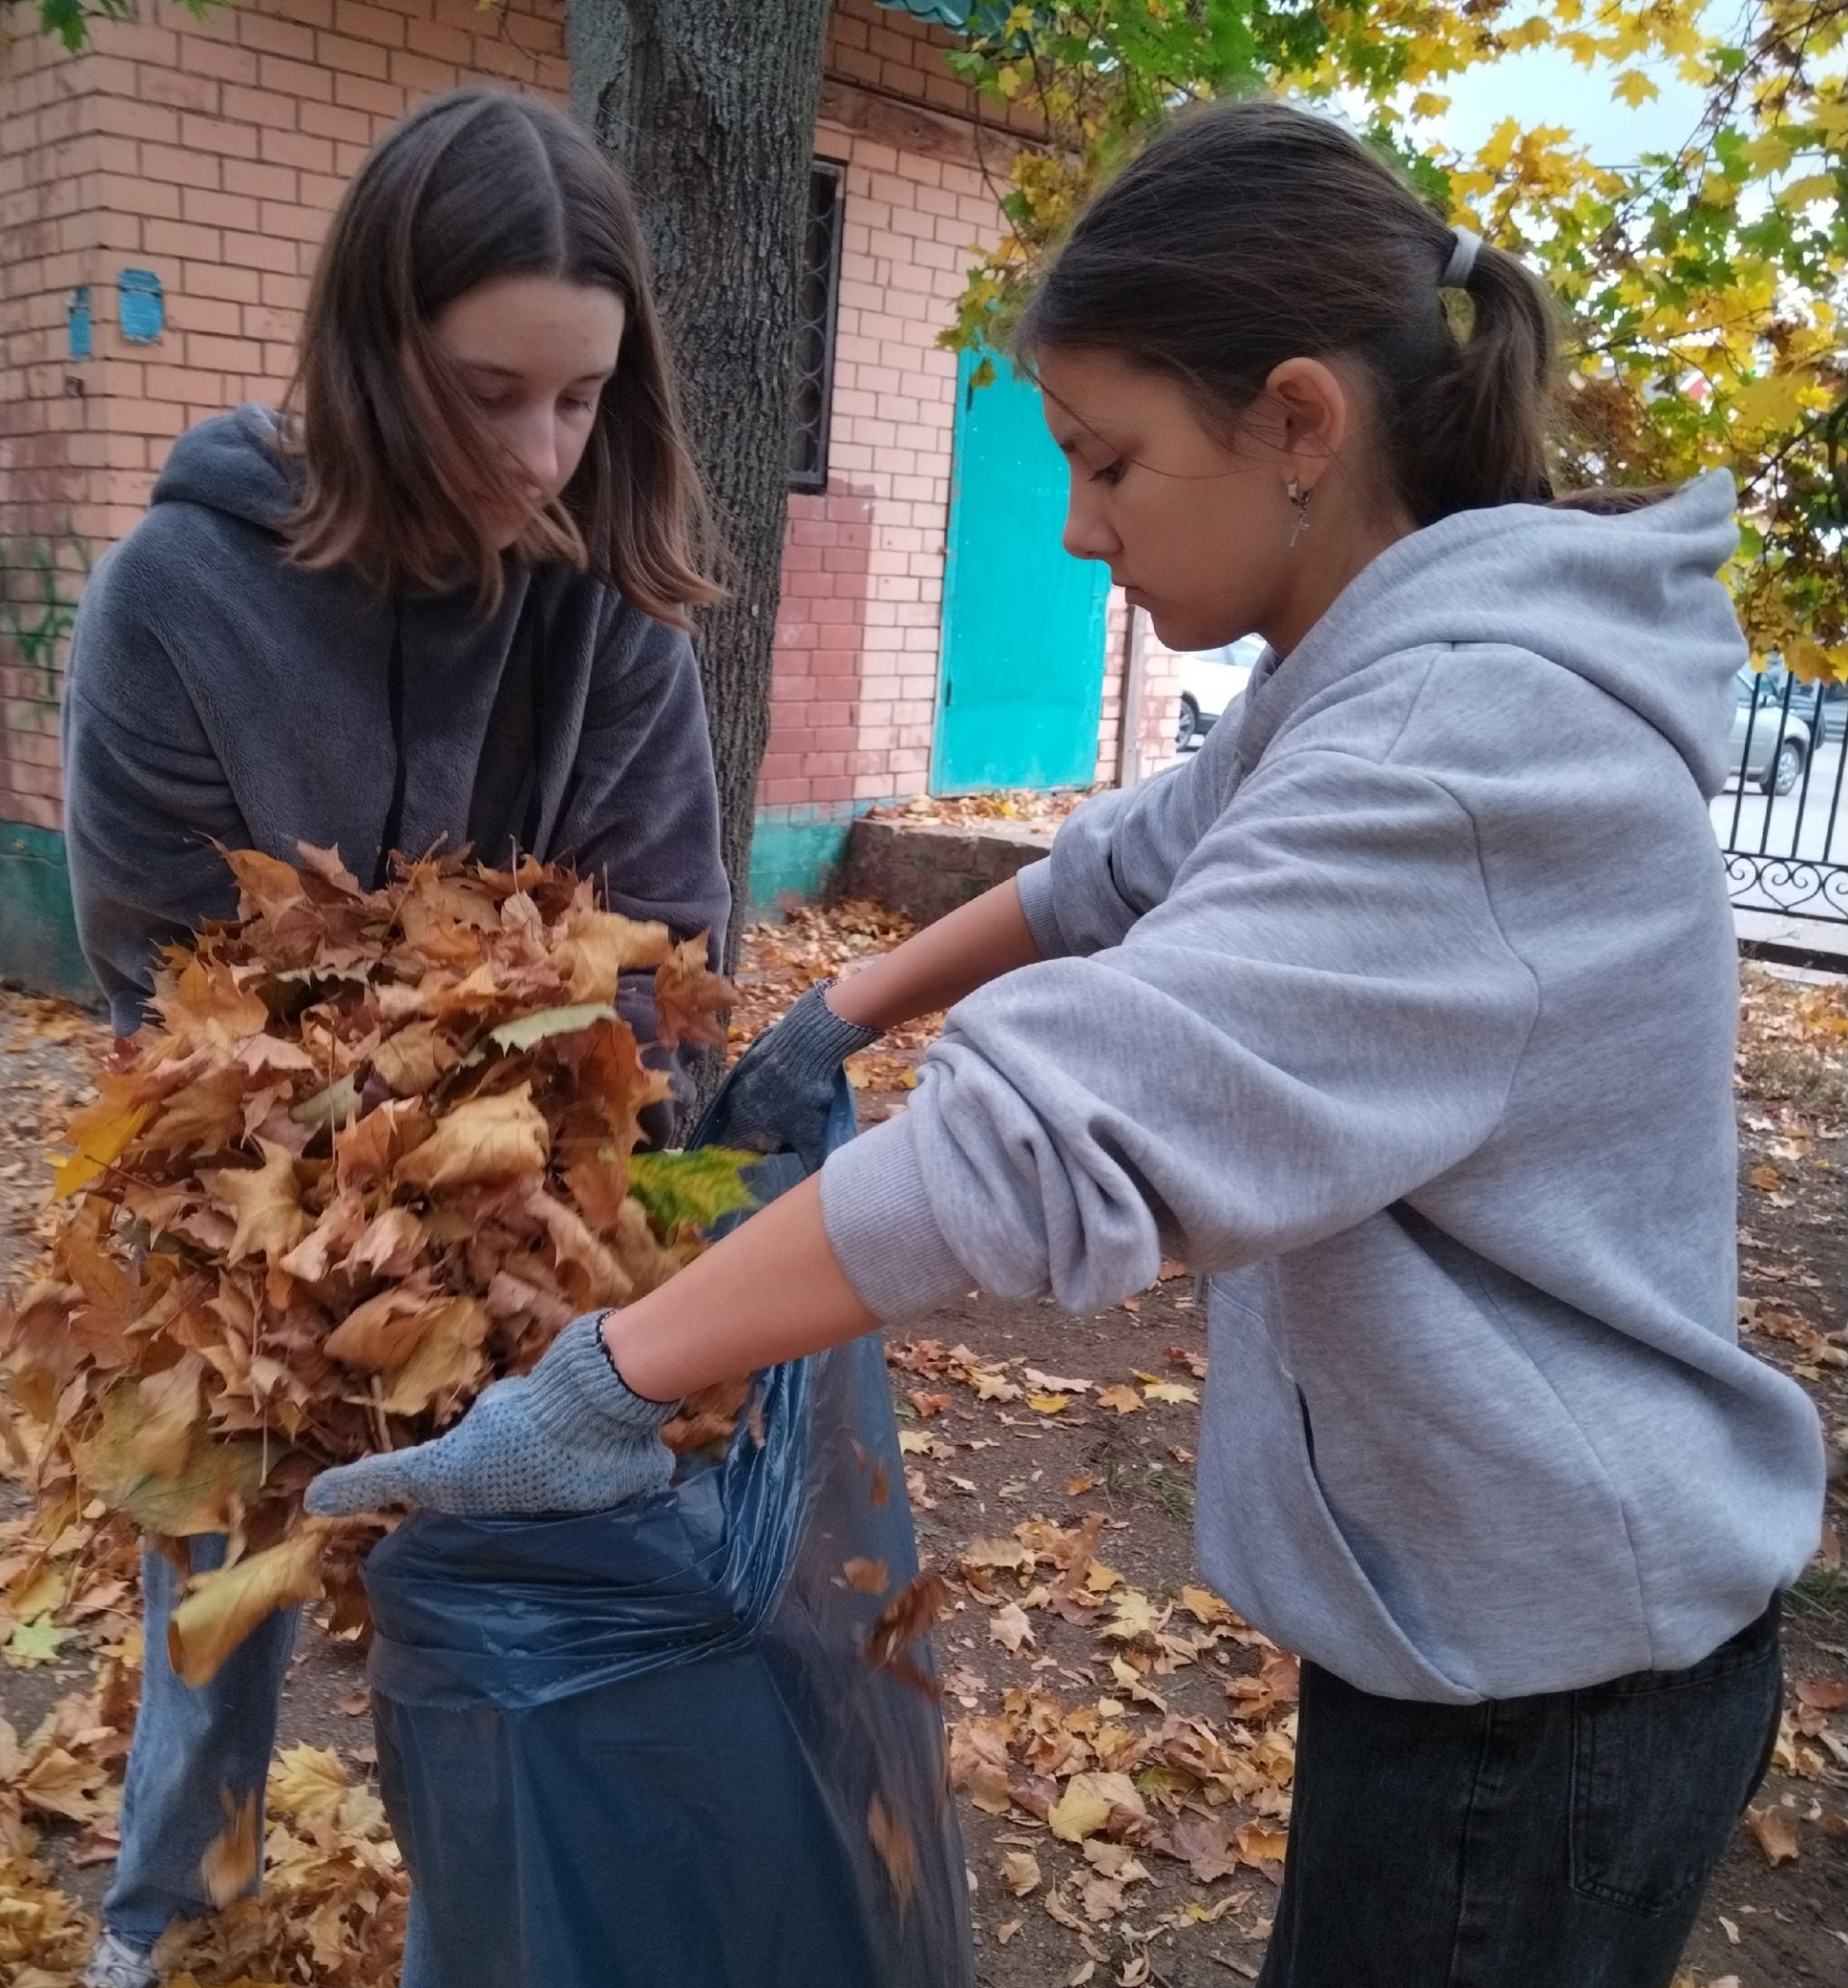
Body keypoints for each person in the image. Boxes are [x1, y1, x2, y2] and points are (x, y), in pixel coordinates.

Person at [309, 100, 1827, 1987]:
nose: (1075, 525)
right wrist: (841, 1006)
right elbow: (1120, 866)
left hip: (1553, 1688)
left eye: (1108, 460)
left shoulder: (1468, 755)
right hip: (1474, 1622)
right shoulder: (1383, 672)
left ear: (1297, 423)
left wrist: (608, 1376)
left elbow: (1045, 1144)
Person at [64, 88, 728, 1988]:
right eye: (486, 393)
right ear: (371, 357)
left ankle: (482, 1944)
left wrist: (513, 1187)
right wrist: (365, 1149)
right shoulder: (177, 604)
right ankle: (162, 1924)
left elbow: (659, 971)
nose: (540, 456)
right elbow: (169, 997)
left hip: (541, 1218)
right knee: (217, 1560)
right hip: (243, 1217)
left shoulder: (610, 615)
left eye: (582, 399)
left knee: (496, 1609)